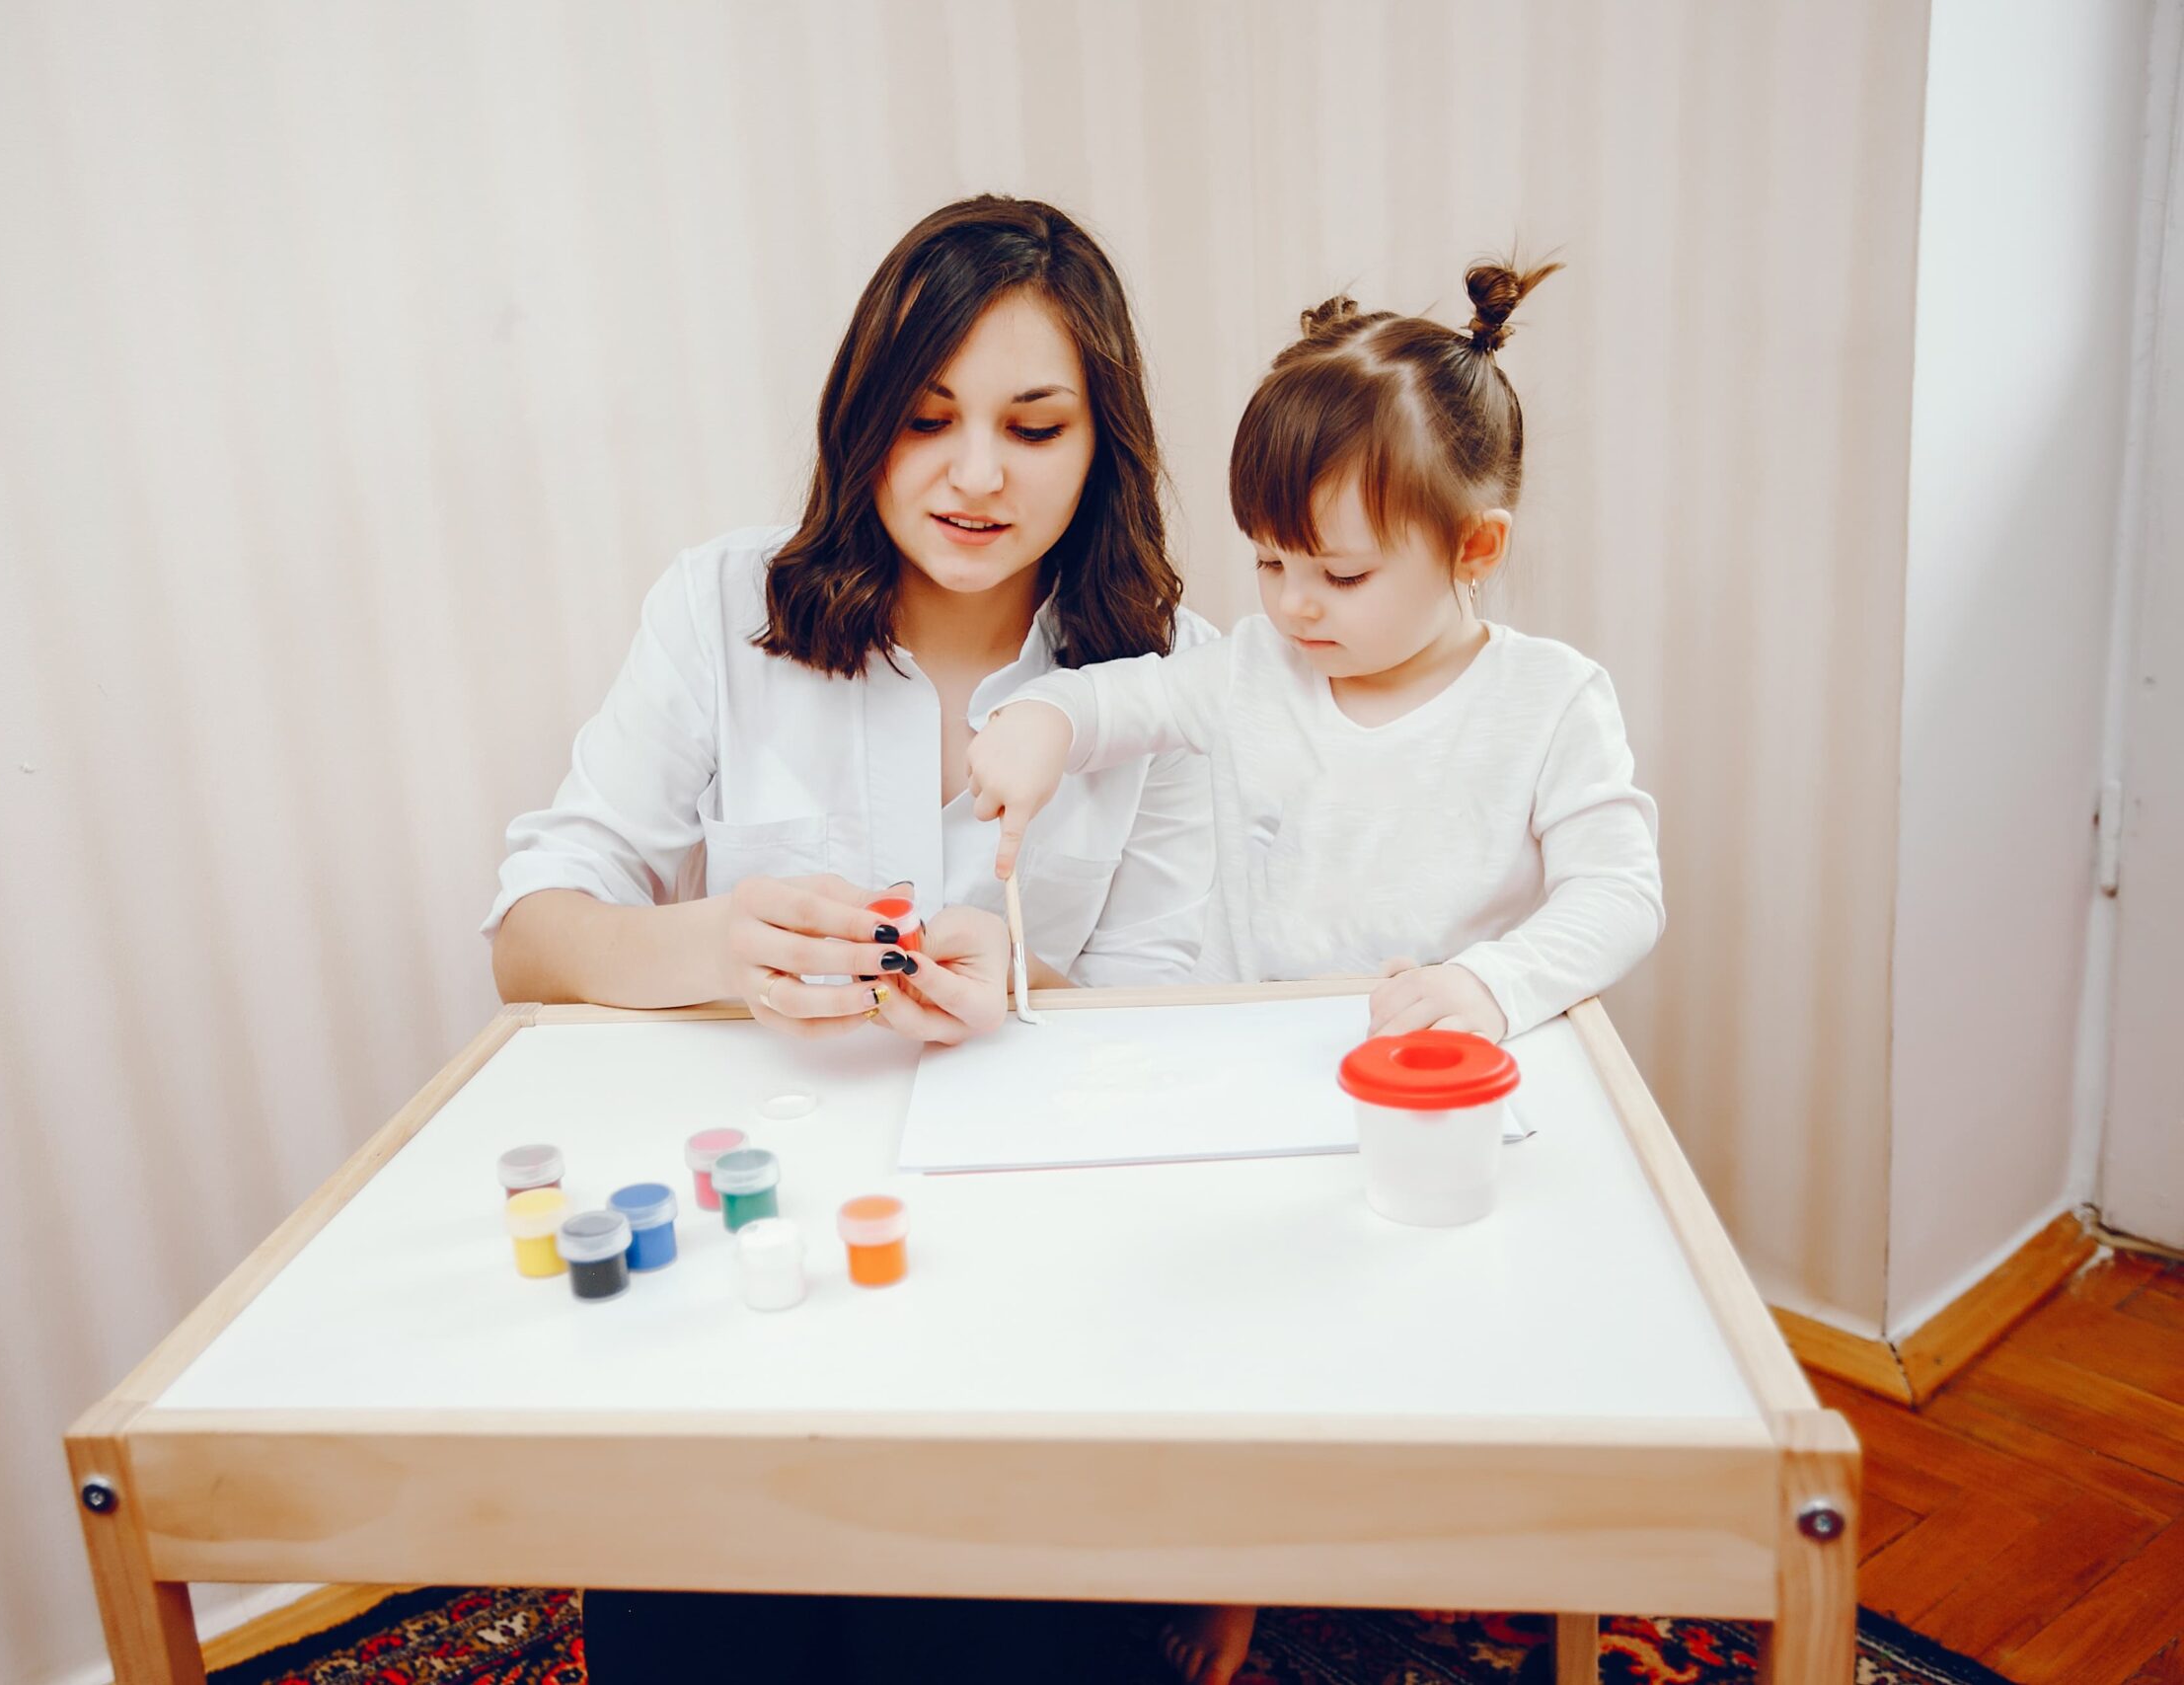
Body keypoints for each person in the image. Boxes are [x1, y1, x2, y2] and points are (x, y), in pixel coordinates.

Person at [487, 193, 1217, 1684]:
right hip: (760, 1241)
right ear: (862, 421)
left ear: (1104, 446)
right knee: (706, 1616)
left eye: (1034, 426)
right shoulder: (723, 606)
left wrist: (1030, 985)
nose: (972, 476)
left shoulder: (1164, 675)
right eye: (927, 416)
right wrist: (710, 948)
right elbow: (532, 929)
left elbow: (1182, 1012)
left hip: (1028, 1265)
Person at [966, 262, 1666, 1684]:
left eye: (1338, 574)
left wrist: (1488, 984)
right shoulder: (1250, 671)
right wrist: (1037, 730)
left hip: (1437, 1092)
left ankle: (1460, 1536)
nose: (1292, 605)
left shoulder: (1546, 703)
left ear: (1475, 551)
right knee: (1221, 1336)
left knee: (1429, 1329)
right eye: (1268, 563)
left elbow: (1621, 892)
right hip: (1255, 1077)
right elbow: (1115, 701)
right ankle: (1236, 1560)